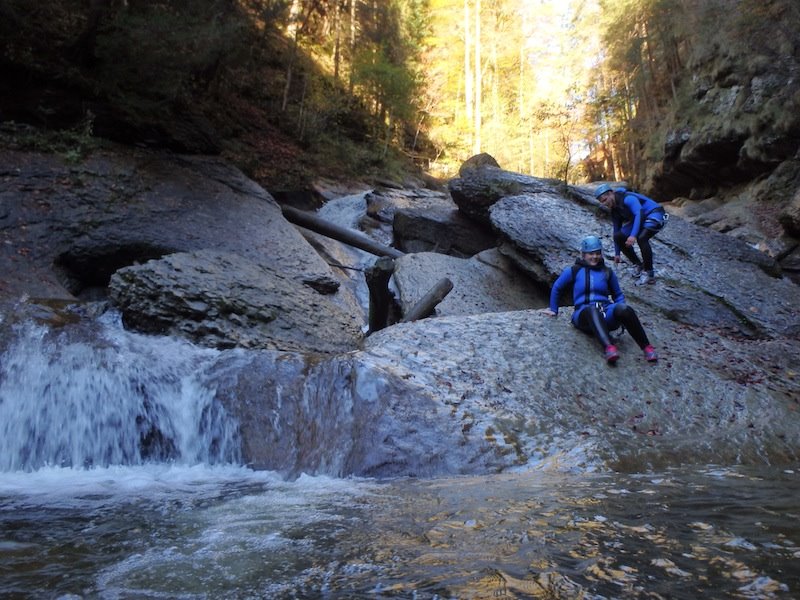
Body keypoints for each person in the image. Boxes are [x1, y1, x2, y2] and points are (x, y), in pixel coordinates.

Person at [542, 235, 658, 364]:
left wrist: (621, 313)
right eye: (591, 254)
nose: (594, 257)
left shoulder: (607, 272)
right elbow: (557, 287)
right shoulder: (574, 271)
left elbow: (618, 295)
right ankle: (609, 347)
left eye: (597, 253)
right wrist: (554, 309)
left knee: (625, 309)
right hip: (583, 315)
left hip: (605, 313)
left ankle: (647, 348)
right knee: (591, 309)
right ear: (583, 254)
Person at [594, 183, 667, 285]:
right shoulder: (614, 210)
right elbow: (616, 230)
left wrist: (632, 235)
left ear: (611, 193)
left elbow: (639, 214)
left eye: (605, 200)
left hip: (655, 214)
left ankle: (649, 274)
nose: (604, 204)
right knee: (618, 236)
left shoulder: (628, 198)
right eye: (602, 202)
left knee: (642, 238)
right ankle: (638, 265)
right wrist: (617, 253)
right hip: (642, 218)